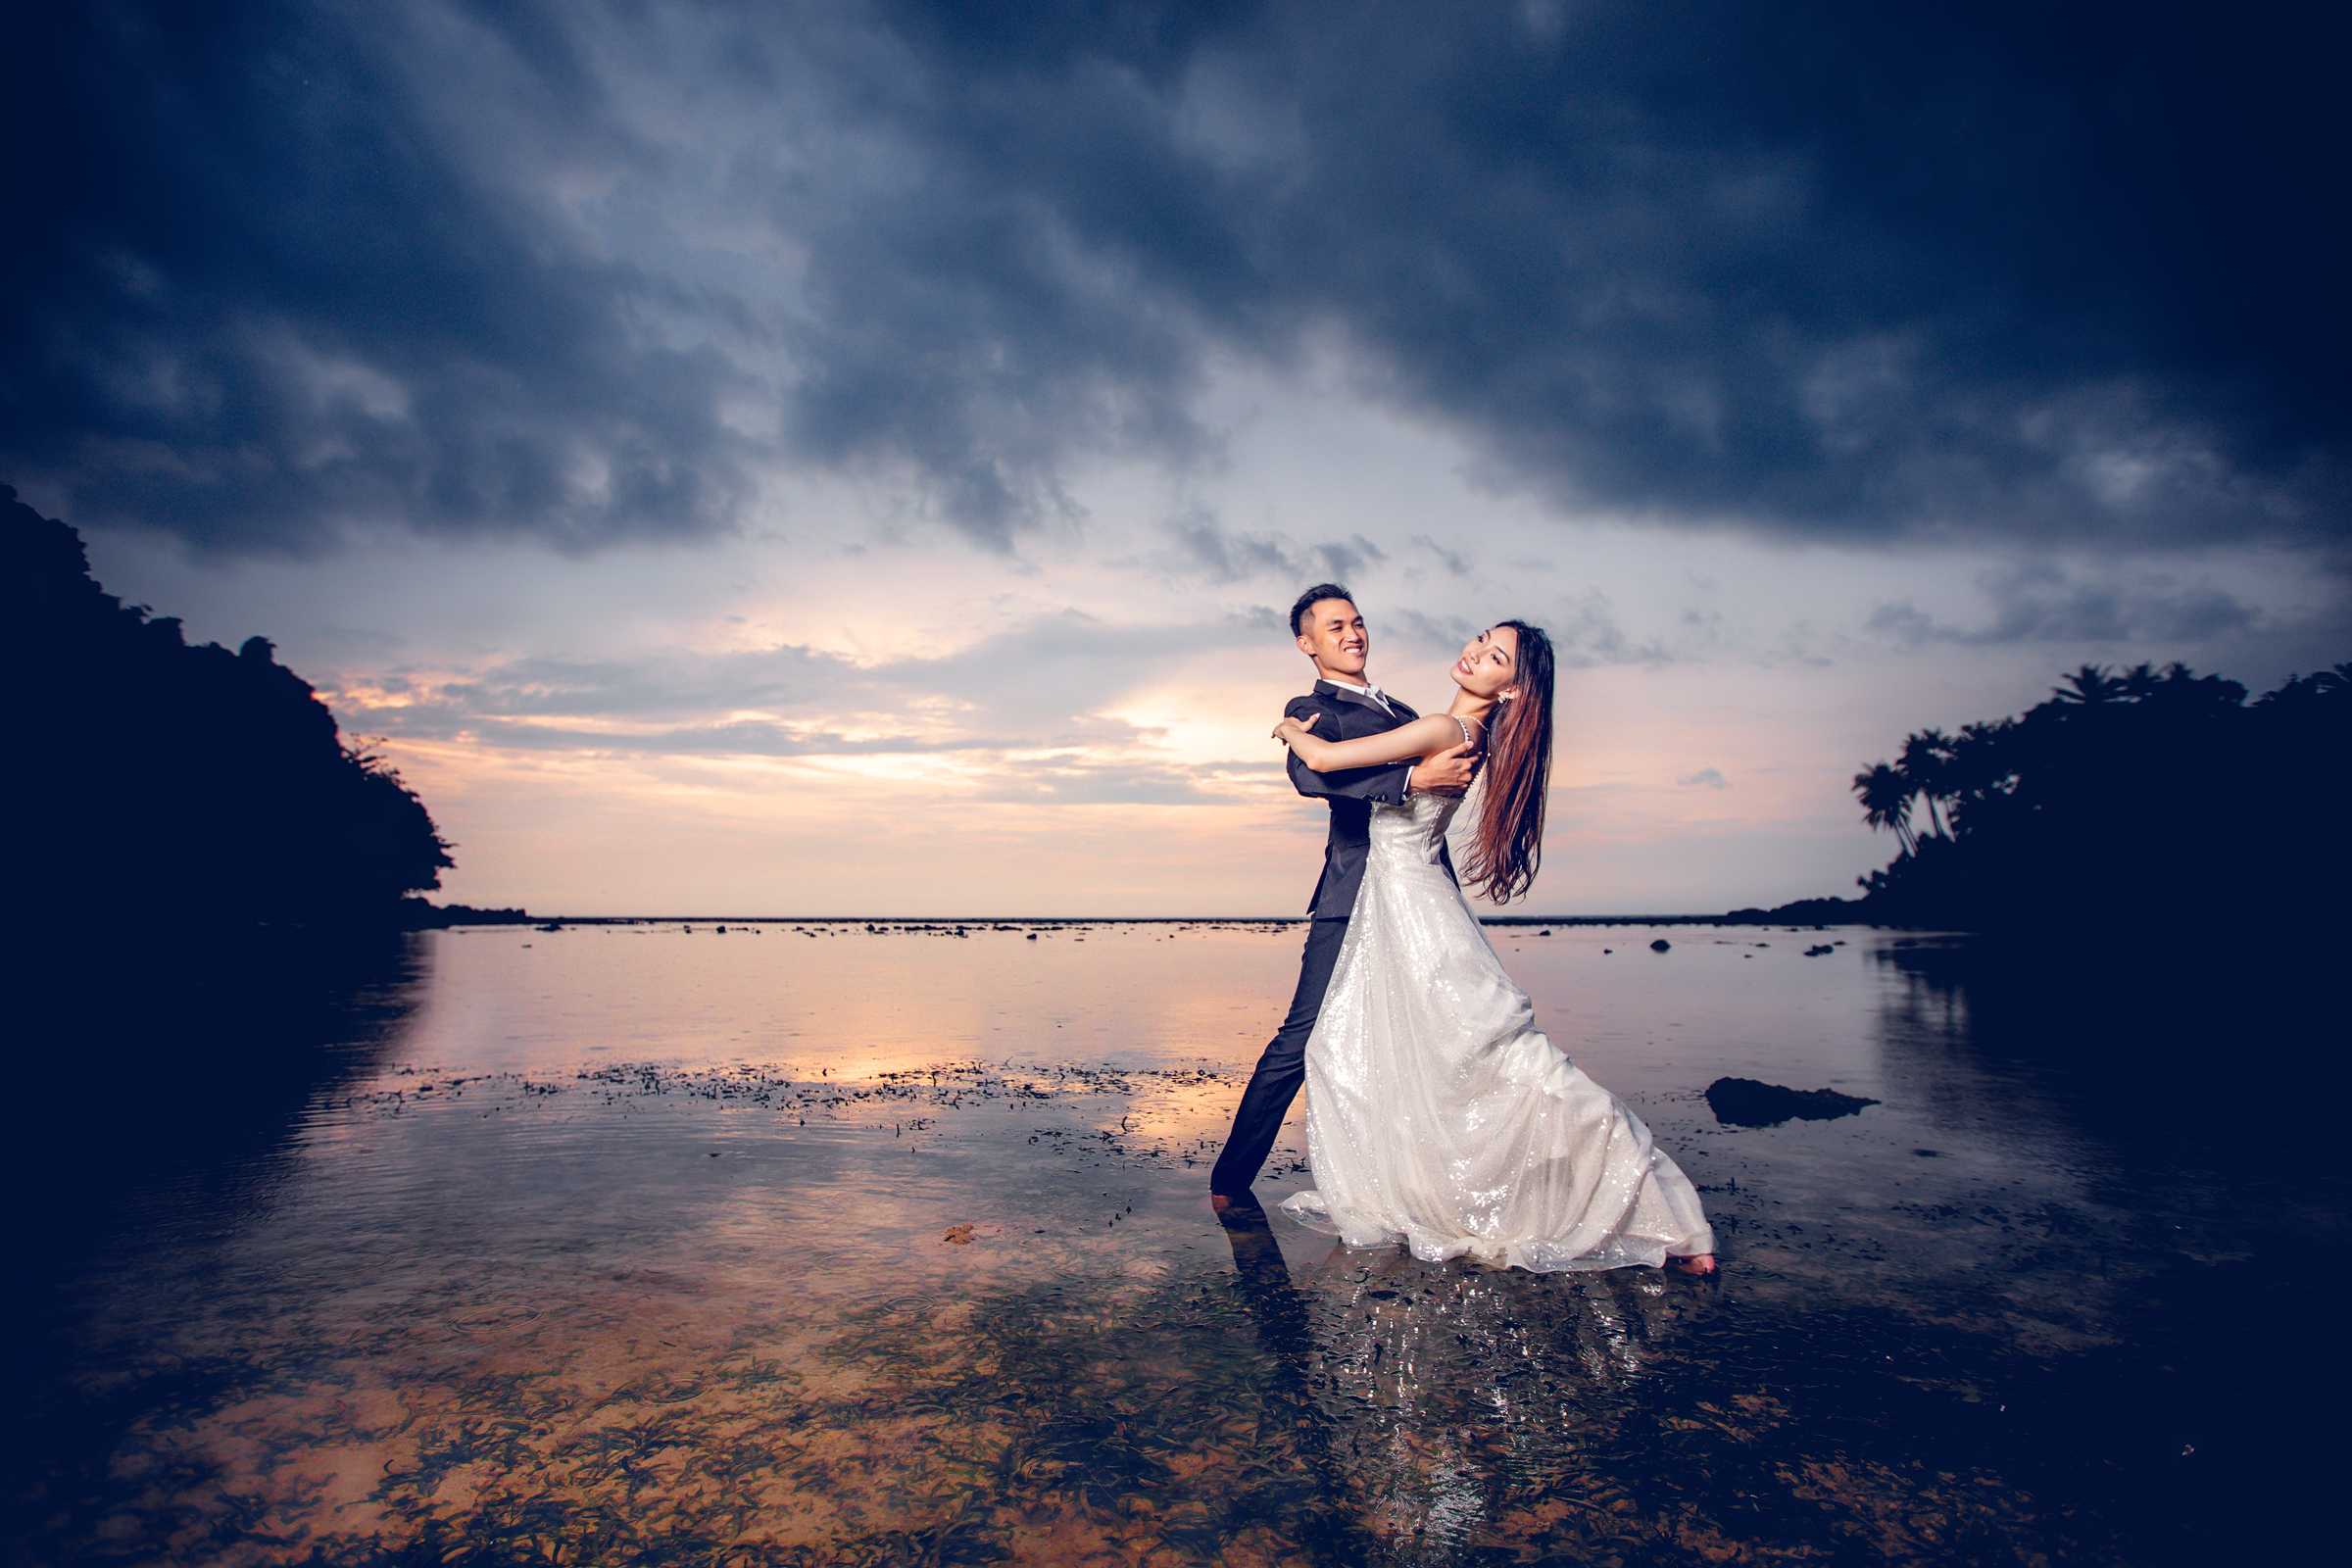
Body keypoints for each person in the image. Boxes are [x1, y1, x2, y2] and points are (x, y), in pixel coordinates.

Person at [1266, 617, 1717, 1275]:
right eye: (1482, 638)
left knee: (1507, 1058)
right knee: (1402, 1057)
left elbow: (1329, 762)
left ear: (1509, 691)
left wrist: (1289, 730)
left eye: (1495, 656)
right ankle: (1417, 1188)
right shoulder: (1456, 729)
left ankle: (1669, 1216)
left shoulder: (1448, 731)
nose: (1476, 651)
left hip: (1416, 910)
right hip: (1394, 907)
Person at [1207, 584, 1479, 1210]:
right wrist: (1410, 779)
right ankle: (1229, 1184)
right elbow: (1308, 772)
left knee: (1437, 1034)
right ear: (1307, 644)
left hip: (1420, 892)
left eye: (1356, 623)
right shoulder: (1312, 705)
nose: (1352, 634)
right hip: (1353, 892)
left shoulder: (1405, 709)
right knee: (1301, 1037)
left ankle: (1433, 1183)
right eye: (1334, 627)